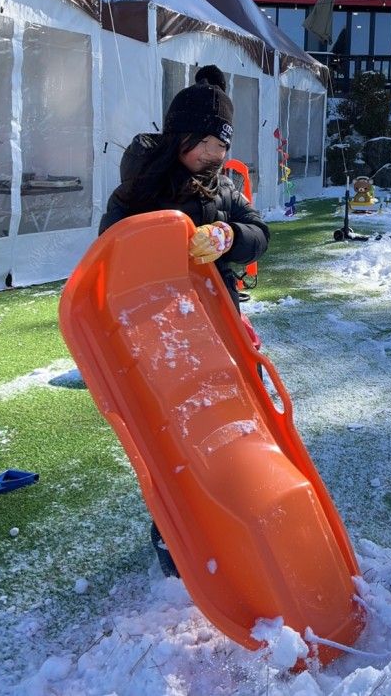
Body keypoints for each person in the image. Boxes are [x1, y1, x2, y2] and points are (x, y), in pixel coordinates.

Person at [99, 65, 270, 575]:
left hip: (218, 321)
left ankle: (238, 512)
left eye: (222, 149)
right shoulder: (136, 189)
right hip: (162, 333)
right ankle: (174, 537)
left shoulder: (220, 188)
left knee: (236, 419)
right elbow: (109, 256)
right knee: (174, 433)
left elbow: (259, 231)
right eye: (209, 147)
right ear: (183, 136)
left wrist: (230, 237)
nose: (217, 158)